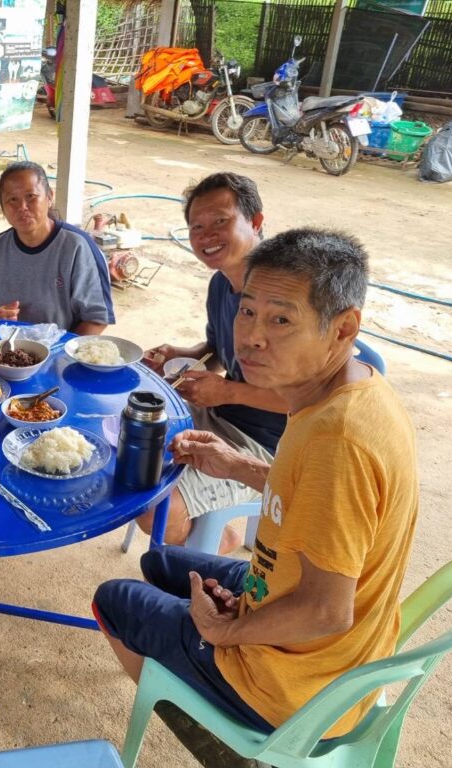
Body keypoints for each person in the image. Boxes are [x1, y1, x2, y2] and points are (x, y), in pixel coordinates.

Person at [94, 228, 419, 739]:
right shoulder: (351, 390)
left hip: (300, 688)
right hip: (315, 630)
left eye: (282, 319)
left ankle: (213, 730)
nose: (251, 337)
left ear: (343, 327)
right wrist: (236, 464)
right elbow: (316, 499)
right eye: (247, 311)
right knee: (158, 560)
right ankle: (193, 664)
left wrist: (229, 630)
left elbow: (326, 610)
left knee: (114, 598)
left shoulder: (339, 440)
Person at [139, 172, 288, 552]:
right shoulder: (222, 282)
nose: (206, 236)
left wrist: (226, 391)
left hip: (272, 444)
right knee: (127, 433)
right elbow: (219, 352)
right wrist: (183, 354)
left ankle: (217, 543)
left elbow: (308, 399)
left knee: (153, 508)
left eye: (221, 221)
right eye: (196, 227)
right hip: (222, 415)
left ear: (256, 222)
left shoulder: (287, 296)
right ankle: (211, 535)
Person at [0, 161, 115, 334]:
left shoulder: (78, 247)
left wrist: (60, 354)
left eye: (31, 196)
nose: (22, 207)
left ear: (49, 197)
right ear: (3, 208)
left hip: (58, 354)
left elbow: (97, 319)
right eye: (12, 199)